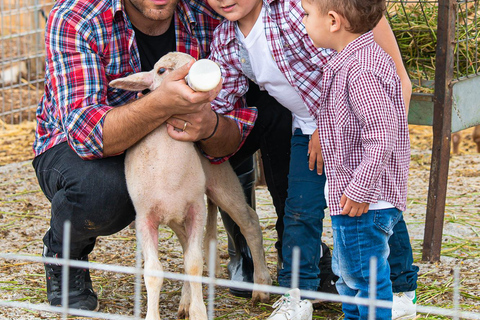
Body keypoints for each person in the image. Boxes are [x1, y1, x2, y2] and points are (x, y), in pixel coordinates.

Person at [33, 0, 293, 310]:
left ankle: (295, 247)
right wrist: (163, 103)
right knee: (103, 191)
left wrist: (210, 126)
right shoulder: (77, 17)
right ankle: (66, 255)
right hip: (87, 147)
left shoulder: (208, 11)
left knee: (277, 107)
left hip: (184, 139)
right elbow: (87, 136)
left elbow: (233, 112)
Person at [206, 0, 418, 319]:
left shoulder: (293, 11)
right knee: (299, 210)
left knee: (376, 205)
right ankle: (298, 295)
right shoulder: (226, 38)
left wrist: (326, 122)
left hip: (349, 127)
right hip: (306, 128)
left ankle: (401, 289)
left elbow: (339, 53)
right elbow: (224, 98)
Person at [302, 0, 412, 318]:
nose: (304, 23)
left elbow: (381, 134)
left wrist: (361, 188)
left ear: (334, 21)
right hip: (356, 201)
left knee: (365, 281)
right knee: (350, 279)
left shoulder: (361, 70)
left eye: (308, 15)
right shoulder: (355, 61)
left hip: (363, 203)